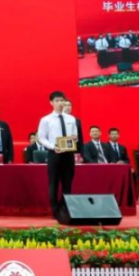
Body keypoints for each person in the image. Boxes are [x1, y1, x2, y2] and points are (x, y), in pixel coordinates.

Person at [36, 91, 78, 220]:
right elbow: (41, 138)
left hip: (68, 154)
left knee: (67, 183)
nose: (60, 103)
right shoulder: (46, 120)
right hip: (54, 153)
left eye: (62, 100)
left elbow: (75, 136)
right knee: (53, 183)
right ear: (51, 103)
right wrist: (53, 147)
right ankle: (55, 211)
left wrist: (74, 139)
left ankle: (64, 208)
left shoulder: (71, 119)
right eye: (57, 101)